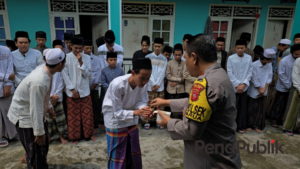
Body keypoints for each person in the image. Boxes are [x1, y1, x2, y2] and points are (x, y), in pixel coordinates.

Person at [151, 34, 242, 169]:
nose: (185, 63)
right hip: (225, 154)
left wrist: (168, 122)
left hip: (210, 160)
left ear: (194, 57)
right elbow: (197, 103)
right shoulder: (220, 75)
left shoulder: (205, 83)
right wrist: (166, 102)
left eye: (185, 58)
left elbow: (191, 130)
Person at [8, 48, 65, 169]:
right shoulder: (39, 81)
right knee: (37, 155)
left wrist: (49, 107)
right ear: (60, 64)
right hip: (26, 118)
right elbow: (35, 108)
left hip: (34, 114)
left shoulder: (46, 71)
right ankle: (32, 160)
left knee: (41, 149)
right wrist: (39, 133)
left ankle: (30, 156)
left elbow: (44, 96)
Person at [103, 58, 153, 169]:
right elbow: (117, 112)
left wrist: (144, 109)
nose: (145, 82)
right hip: (114, 119)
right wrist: (137, 112)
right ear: (133, 73)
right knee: (118, 155)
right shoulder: (118, 85)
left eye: (148, 79)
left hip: (131, 117)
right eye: (142, 78)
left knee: (132, 152)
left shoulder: (144, 84)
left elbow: (142, 100)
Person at [62, 36, 96, 144]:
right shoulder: (66, 58)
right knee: (73, 116)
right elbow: (65, 75)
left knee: (87, 115)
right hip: (72, 92)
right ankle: (74, 137)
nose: (78, 50)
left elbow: (87, 74)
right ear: (71, 46)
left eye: (80, 48)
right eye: (75, 48)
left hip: (85, 91)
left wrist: (81, 62)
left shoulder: (86, 58)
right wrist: (72, 90)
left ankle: (88, 134)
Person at [269, 44, 300, 128]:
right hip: (284, 86)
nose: (298, 56)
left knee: (288, 104)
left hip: (294, 87)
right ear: (291, 52)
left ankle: (283, 119)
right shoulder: (284, 60)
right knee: (279, 102)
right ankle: (274, 119)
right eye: (296, 54)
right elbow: (281, 74)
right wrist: (288, 85)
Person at [227, 39, 253, 134]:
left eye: (242, 48)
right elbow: (229, 72)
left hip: (244, 87)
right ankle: (231, 126)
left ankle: (241, 126)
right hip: (234, 87)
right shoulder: (231, 58)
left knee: (243, 107)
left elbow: (250, 71)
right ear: (235, 48)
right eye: (238, 48)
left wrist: (244, 84)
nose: (240, 50)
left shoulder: (249, 58)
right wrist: (238, 85)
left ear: (245, 48)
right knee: (233, 106)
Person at [247, 49, 275, 133]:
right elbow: (253, 78)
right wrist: (259, 89)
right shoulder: (254, 65)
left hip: (264, 89)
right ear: (264, 58)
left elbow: (270, 76)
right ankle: (249, 124)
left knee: (261, 108)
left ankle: (258, 124)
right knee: (252, 107)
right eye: (269, 60)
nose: (271, 61)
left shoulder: (269, 65)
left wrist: (264, 88)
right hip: (255, 89)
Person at [46, 41, 68, 145]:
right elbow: (45, 86)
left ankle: (61, 136)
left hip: (58, 97)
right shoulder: (45, 69)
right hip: (47, 98)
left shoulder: (60, 69)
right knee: (48, 119)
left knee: (60, 118)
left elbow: (62, 83)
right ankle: (48, 136)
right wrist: (51, 97)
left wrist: (56, 96)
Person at [144, 37, 168, 129]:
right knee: (149, 104)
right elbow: (148, 71)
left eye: (159, 46)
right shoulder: (148, 57)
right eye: (155, 46)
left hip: (160, 86)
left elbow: (163, 73)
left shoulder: (164, 59)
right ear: (153, 46)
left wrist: (157, 84)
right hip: (150, 85)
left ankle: (159, 122)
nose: (157, 48)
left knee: (160, 105)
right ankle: (147, 121)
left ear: (162, 46)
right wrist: (153, 83)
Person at [83, 39, 106, 128]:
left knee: (95, 104)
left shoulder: (97, 59)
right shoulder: (80, 59)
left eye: (91, 48)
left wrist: (95, 84)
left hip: (94, 86)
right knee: (86, 106)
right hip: (84, 87)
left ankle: (95, 122)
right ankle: (87, 124)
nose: (89, 50)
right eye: (87, 48)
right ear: (83, 48)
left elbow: (100, 71)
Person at [267, 39, 291, 116]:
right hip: (269, 78)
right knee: (268, 96)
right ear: (280, 45)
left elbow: (274, 66)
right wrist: (272, 78)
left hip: (272, 76)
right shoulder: (272, 52)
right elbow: (269, 66)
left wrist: (277, 70)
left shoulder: (277, 52)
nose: (285, 50)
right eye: (285, 48)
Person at [0, 46, 17, 148]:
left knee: (9, 111)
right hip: (5, 79)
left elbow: (11, 69)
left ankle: (12, 134)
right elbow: (9, 75)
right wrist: (6, 77)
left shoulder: (5, 50)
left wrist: (8, 84)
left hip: (6, 86)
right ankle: (1, 136)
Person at [166, 44, 185, 118]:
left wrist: (176, 82)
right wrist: (179, 80)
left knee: (180, 106)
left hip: (180, 89)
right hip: (171, 89)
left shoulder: (185, 63)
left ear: (182, 54)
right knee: (171, 106)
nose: (177, 56)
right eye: (176, 55)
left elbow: (185, 76)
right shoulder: (170, 63)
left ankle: (178, 122)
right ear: (173, 54)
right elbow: (168, 76)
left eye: (179, 55)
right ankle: (170, 121)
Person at [283, 56, 300, 136]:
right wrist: (299, 88)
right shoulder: (298, 60)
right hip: (298, 87)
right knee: (293, 108)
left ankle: (298, 127)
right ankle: (288, 127)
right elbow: (295, 75)